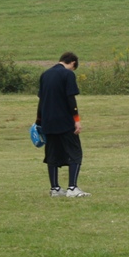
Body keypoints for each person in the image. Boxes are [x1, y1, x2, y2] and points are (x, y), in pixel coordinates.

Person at [36, 52, 89, 197]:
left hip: (48, 121)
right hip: (64, 121)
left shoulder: (45, 75)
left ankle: (55, 189)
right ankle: (72, 188)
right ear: (72, 63)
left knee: (52, 155)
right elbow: (70, 99)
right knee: (75, 153)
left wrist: (38, 122)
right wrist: (76, 120)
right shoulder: (68, 75)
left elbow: (41, 101)